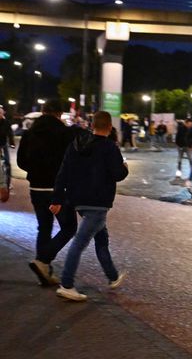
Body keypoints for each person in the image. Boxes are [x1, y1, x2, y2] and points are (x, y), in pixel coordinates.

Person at [49, 111, 129, 301]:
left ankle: (112, 276)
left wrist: (57, 198)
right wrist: (125, 167)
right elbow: (118, 174)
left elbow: (63, 171)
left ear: (93, 125)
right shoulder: (110, 148)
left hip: (78, 200)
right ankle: (66, 284)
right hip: (98, 202)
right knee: (80, 242)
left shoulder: (76, 145)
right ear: (109, 127)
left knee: (101, 237)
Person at [16, 103, 78, 285]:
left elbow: (21, 162)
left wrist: (35, 171)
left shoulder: (29, 134)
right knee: (68, 228)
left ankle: (44, 274)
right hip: (59, 190)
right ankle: (42, 260)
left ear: (43, 112)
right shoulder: (65, 134)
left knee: (44, 228)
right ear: (59, 114)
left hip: (36, 188)